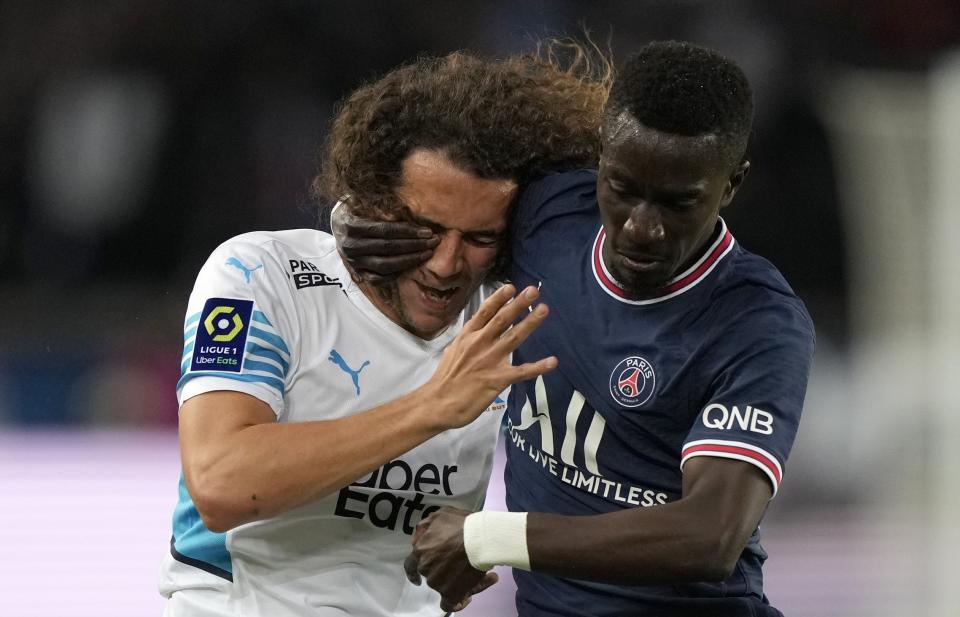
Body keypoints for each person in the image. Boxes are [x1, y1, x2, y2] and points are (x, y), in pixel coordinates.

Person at [336, 40, 816, 616]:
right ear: (601, 158)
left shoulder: (757, 322)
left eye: (677, 203)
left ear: (731, 185)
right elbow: (450, 218)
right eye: (622, 189)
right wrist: (359, 217)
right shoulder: (551, 213)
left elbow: (710, 535)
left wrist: (487, 539)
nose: (642, 228)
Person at [158, 46, 613, 617]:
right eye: (423, 227)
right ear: (373, 199)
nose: (446, 264)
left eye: (478, 238)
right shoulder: (261, 273)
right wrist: (432, 406)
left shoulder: (510, 315)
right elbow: (221, 484)